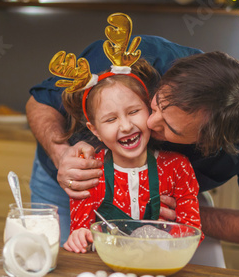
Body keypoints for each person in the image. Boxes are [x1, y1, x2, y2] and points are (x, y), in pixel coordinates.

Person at [26, 17, 239, 264]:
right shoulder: (128, 59)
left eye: (170, 129)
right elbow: (39, 102)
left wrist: (182, 212)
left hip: (166, 215)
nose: (148, 123)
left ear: (210, 145)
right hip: (74, 185)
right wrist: (61, 155)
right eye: (156, 106)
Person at [27, 34, 202, 247]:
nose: (126, 126)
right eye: (111, 119)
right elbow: (81, 230)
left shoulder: (179, 167)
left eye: (134, 111)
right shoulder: (89, 174)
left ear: (150, 109)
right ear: (95, 130)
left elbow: (192, 230)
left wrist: (168, 239)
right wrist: (79, 238)